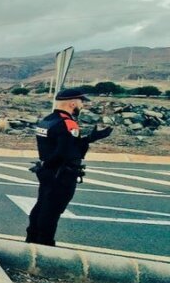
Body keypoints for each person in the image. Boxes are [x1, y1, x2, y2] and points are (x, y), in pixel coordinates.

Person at [26, 88, 113, 246]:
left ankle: (31, 241)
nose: (82, 105)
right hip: (61, 174)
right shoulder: (68, 123)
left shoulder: (48, 120)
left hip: (47, 171)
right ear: (73, 103)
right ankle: (44, 246)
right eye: (81, 102)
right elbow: (64, 151)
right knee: (51, 212)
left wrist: (90, 138)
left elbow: (63, 145)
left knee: (42, 206)